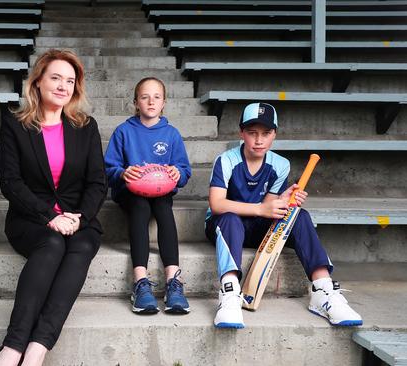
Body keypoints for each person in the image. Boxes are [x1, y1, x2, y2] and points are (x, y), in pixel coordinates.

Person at [0, 49, 107, 366]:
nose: (62, 86)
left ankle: (38, 347)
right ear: (38, 81)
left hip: (78, 219)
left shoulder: (86, 127)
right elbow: (11, 182)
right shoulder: (16, 125)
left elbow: (97, 182)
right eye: (55, 77)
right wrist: (50, 217)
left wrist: (79, 218)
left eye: (70, 80)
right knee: (52, 243)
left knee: (81, 245)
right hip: (30, 219)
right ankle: (13, 345)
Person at [205, 102, 363, 328]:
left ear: (274, 134)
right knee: (230, 218)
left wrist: (283, 202)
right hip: (225, 226)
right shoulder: (226, 160)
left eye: (266, 133)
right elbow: (217, 204)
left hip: (259, 226)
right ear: (241, 133)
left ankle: (323, 290)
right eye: (252, 133)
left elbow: (269, 206)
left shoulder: (280, 164)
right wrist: (261, 208)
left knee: (300, 215)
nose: (259, 140)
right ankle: (229, 293)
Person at [104, 77, 192, 314]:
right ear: (135, 102)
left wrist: (176, 173)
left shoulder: (171, 134)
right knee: (141, 206)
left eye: (156, 97)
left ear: (164, 103)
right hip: (130, 193)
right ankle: (140, 282)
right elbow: (107, 168)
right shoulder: (124, 131)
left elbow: (184, 170)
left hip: (161, 192)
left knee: (163, 207)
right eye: (145, 97)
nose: (151, 101)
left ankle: (174, 282)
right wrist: (123, 173)